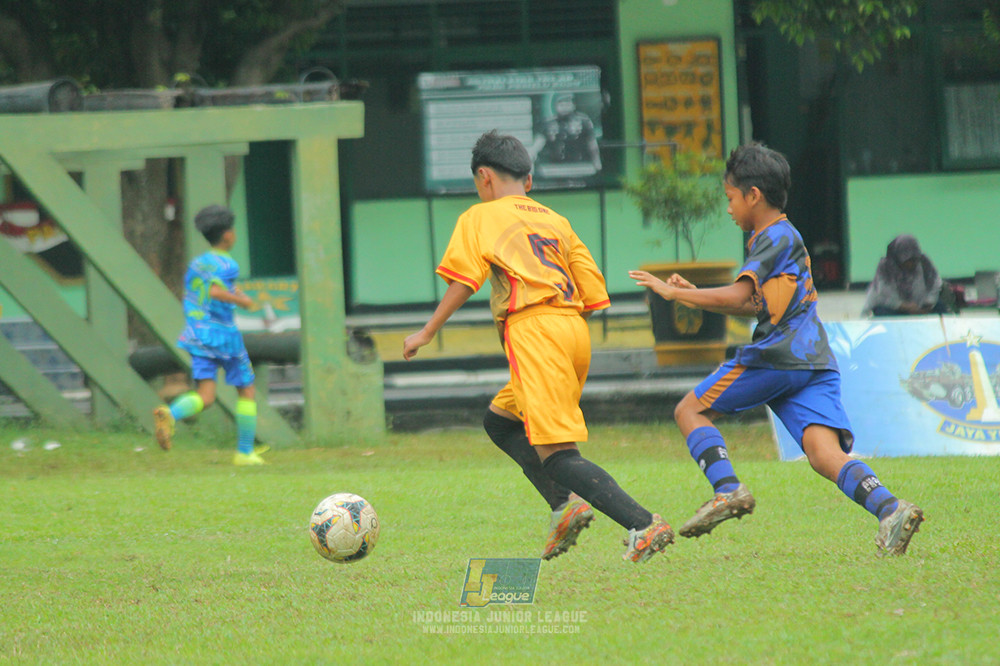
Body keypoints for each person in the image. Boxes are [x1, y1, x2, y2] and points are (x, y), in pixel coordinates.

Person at [629, 143, 924, 556]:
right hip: (815, 361)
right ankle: (890, 509)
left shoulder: (771, 236)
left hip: (778, 357)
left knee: (689, 411)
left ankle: (727, 489)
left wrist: (674, 295)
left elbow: (737, 297)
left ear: (753, 195)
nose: (728, 208)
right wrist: (697, 292)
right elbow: (757, 303)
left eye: (730, 197)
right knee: (824, 455)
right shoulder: (786, 238)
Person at [404, 130, 673, 563]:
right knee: (501, 423)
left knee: (557, 454)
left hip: (535, 330)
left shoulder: (479, 216)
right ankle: (565, 506)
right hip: (572, 328)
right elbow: (595, 291)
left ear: (484, 177)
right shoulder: (555, 220)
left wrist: (427, 332)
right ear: (527, 180)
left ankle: (643, 524)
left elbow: (463, 281)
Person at [153, 205, 266, 466]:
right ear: (227, 235)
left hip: (197, 334)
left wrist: (233, 292)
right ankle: (244, 452)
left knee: (206, 396)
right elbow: (215, 292)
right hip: (223, 336)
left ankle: (170, 414)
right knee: (246, 390)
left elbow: (205, 289)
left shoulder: (198, 263)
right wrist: (243, 302)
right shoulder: (227, 263)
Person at [862, 234, 947, 316]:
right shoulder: (886, 267)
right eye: (909, 260)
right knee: (882, 312)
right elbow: (883, 296)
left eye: (915, 260)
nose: (913, 264)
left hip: (920, 306)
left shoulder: (924, 262)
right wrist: (905, 306)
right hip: (894, 307)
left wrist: (928, 304)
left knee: (940, 308)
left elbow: (935, 284)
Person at [528, 93, 602, 175]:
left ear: (573, 105)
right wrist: (531, 156)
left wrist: (597, 162)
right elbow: (538, 144)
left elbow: (592, 145)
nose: (564, 107)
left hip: (579, 165)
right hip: (555, 166)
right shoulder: (548, 123)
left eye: (567, 104)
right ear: (556, 106)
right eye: (561, 104)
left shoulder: (584, 121)